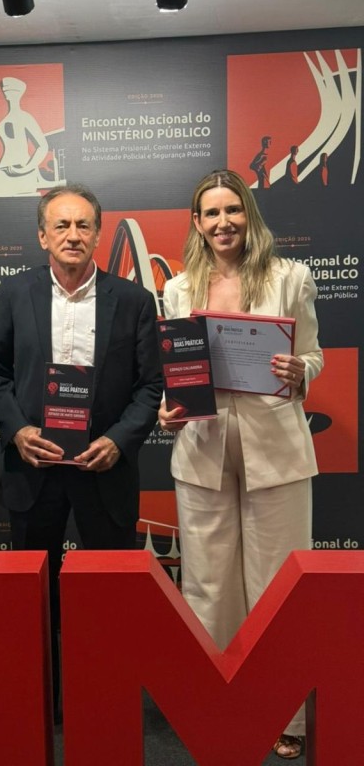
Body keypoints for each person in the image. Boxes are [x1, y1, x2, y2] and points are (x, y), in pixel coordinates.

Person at [158, 170, 322, 760]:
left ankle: (285, 713)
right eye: (211, 213)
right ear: (197, 223)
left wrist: (302, 371)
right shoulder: (179, 289)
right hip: (202, 447)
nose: (223, 222)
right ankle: (216, 701)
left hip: (275, 448)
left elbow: (312, 353)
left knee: (279, 586)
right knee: (207, 584)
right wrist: (168, 411)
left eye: (233, 210)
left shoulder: (290, 277)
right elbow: (178, 370)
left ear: (248, 214)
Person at [0, 182, 162, 719]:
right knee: (35, 597)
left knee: (109, 595)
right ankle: (41, 703)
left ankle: (106, 703)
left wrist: (118, 440)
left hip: (103, 469)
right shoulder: (16, 292)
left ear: (99, 234)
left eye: (84, 225)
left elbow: (150, 386)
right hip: (33, 467)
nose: (73, 234)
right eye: (61, 225)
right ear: (42, 235)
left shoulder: (133, 300)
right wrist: (16, 431)